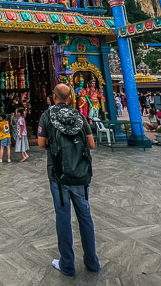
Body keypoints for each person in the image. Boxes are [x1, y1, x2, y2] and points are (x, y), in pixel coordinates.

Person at [38, 83, 100, 276]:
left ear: (54, 97)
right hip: (80, 173)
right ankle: (92, 262)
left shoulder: (47, 116)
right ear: (71, 98)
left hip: (59, 174)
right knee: (85, 216)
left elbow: (41, 143)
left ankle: (67, 264)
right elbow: (91, 144)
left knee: (63, 217)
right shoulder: (79, 116)